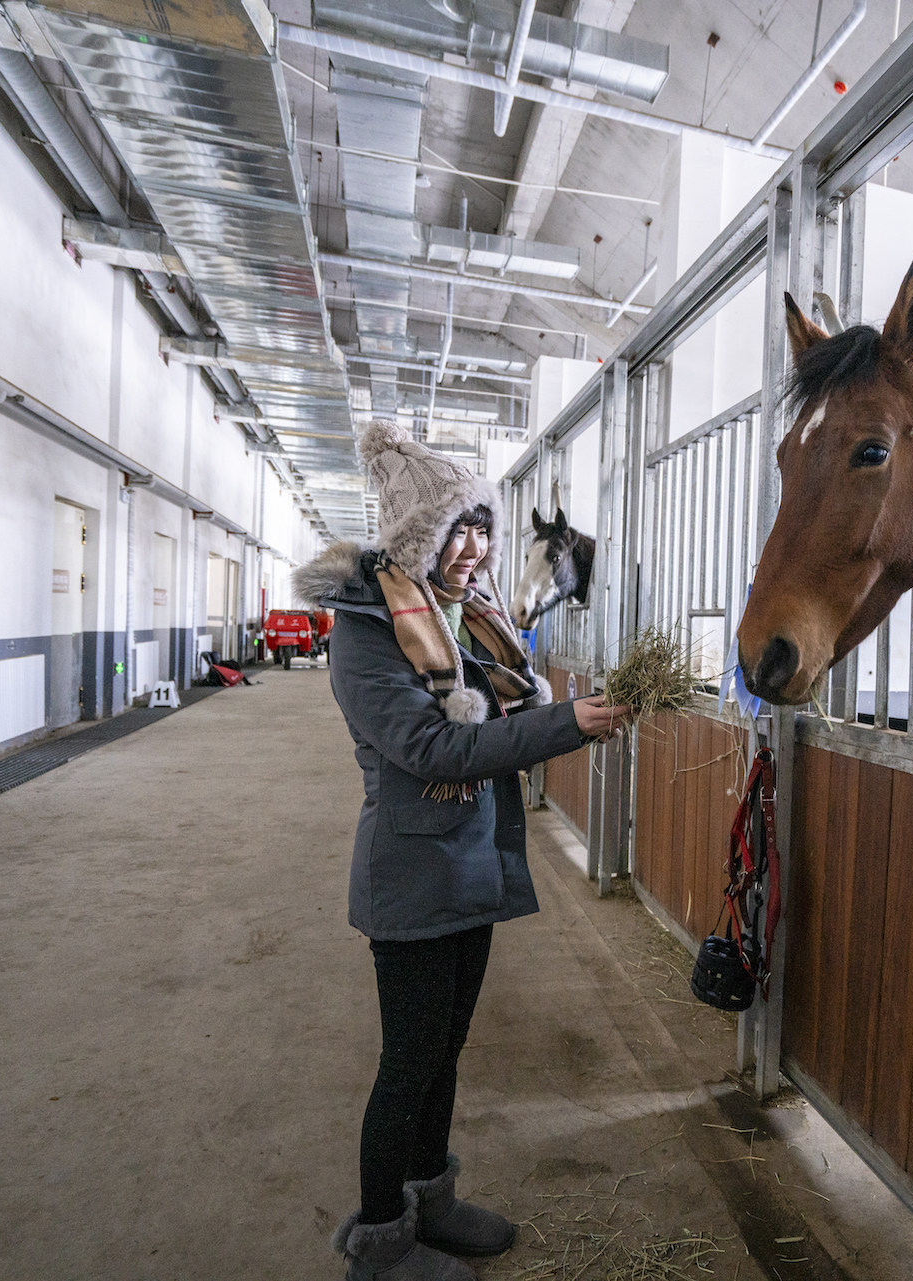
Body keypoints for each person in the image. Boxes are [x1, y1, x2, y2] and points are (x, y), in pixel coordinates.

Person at [296, 423, 631, 1281]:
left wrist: (563, 712)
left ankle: (431, 1200)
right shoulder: (367, 632)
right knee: (407, 1061)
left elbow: (505, 720)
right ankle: (379, 1241)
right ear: (417, 533)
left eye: (484, 526)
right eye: (458, 527)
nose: (476, 546)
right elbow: (433, 751)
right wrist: (565, 726)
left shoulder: (470, 619)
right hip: (411, 874)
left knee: (446, 1048)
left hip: (471, 863)